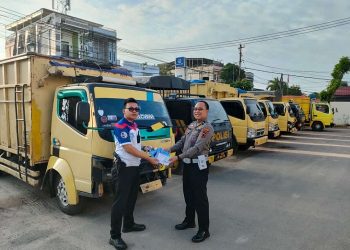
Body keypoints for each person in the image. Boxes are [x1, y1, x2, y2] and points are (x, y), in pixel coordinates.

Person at [110, 98, 159, 250]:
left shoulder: (134, 125)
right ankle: (114, 236)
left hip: (134, 166)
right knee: (120, 202)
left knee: (132, 197)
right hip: (124, 168)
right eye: (131, 108)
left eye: (137, 109)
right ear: (123, 110)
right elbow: (128, 148)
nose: (134, 111)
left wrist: (145, 148)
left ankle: (129, 224)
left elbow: (135, 145)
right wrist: (149, 158)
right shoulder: (121, 125)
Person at [167, 100, 214, 243]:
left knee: (200, 198)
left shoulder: (207, 128)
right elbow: (182, 142)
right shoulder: (192, 125)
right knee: (188, 194)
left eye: (200, 109)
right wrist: (168, 149)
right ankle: (189, 221)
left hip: (199, 167)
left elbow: (197, 148)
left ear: (206, 111)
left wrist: (177, 157)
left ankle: (204, 230)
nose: (197, 111)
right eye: (195, 109)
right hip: (187, 165)